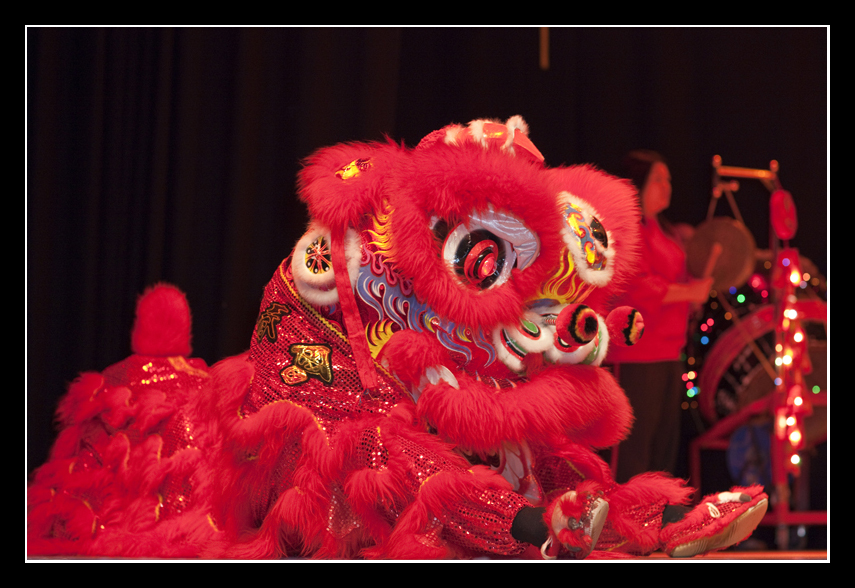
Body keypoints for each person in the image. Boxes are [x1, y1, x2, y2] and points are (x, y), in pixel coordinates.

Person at [607, 150, 713, 484]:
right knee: (633, 451)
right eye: (658, 179)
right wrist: (689, 294)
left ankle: (654, 527)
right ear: (635, 185)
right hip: (637, 353)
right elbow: (636, 289)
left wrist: (691, 298)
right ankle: (622, 527)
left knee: (662, 452)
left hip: (669, 352)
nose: (667, 187)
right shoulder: (625, 230)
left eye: (668, 179)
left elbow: (674, 285)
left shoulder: (664, 231)